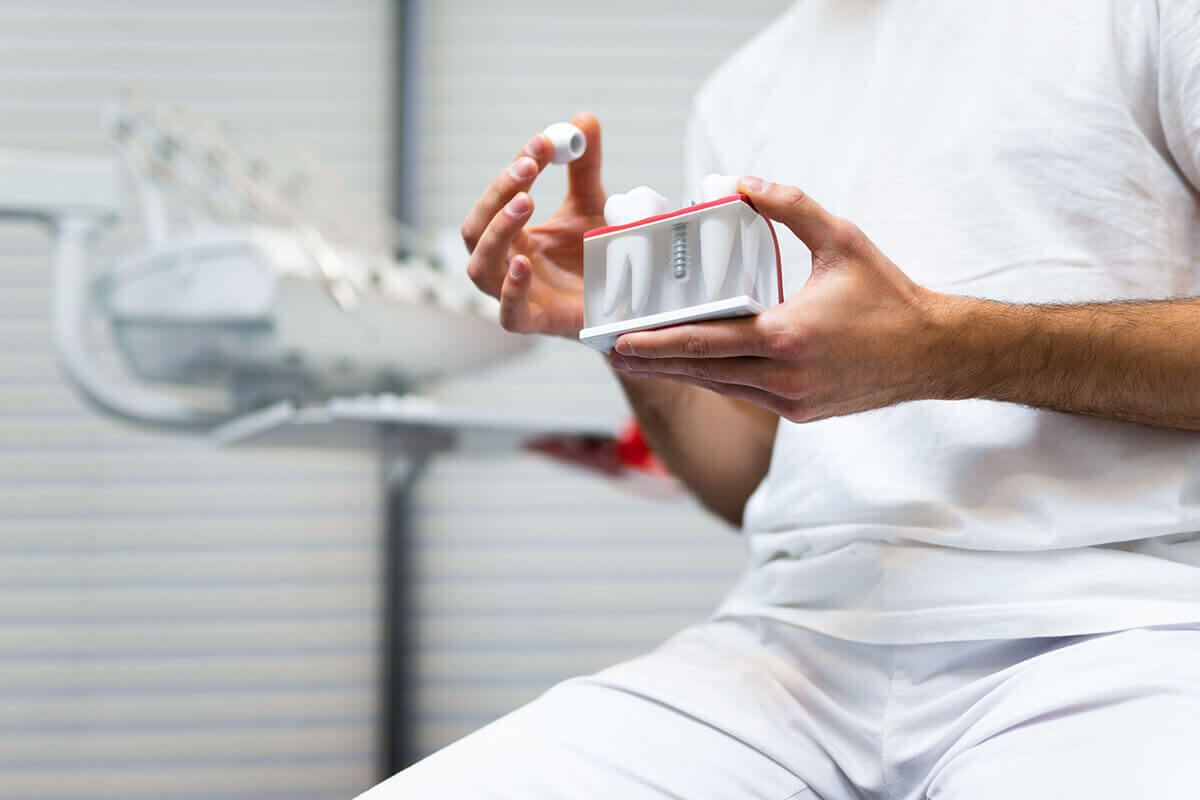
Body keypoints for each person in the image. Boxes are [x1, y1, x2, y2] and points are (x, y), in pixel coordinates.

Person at [359, 2, 1200, 797]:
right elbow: (746, 478)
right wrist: (618, 327)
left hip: (1117, 629)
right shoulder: (743, 90)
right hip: (788, 653)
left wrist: (943, 348)